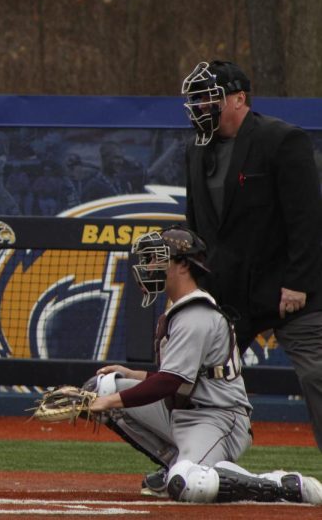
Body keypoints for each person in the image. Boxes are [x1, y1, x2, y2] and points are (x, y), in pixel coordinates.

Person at [83, 226, 322, 505]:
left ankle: (284, 486)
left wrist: (111, 402)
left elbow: (170, 382)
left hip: (217, 417)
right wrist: (127, 377)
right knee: (101, 387)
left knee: (188, 484)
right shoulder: (179, 309)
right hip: (184, 410)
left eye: (157, 258)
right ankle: (177, 463)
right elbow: (180, 377)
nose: (148, 266)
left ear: (183, 265)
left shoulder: (196, 315)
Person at [181, 60, 322, 451]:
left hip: (287, 290)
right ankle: (186, 461)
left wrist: (298, 282)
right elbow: (197, 227)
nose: (198, 107)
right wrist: (196, 288)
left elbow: (306, 220)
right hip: (227, 294)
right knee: (192, 378)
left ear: (238, 98)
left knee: (317, 374)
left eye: (207, 98)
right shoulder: (195, 150)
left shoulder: (282, 140)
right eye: (195, 99)